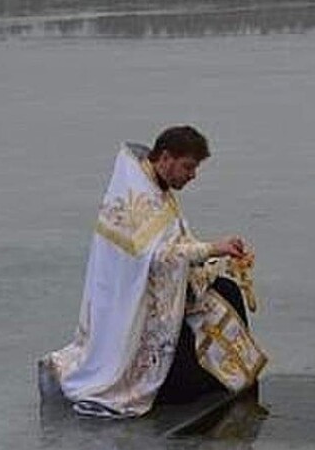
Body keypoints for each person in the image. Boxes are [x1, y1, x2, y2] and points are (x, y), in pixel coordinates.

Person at [40, 125, 267, 418]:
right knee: (196, 369)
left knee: (226, 290)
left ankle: (228, 380)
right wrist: (211, 249)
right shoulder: (137, 198)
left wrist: (213, 258)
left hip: (162, 292)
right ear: (166, 158)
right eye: (188, 167)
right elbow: (159, 258)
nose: (192, 175)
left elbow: (173, 245)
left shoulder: (154, 186)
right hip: (136, 308)